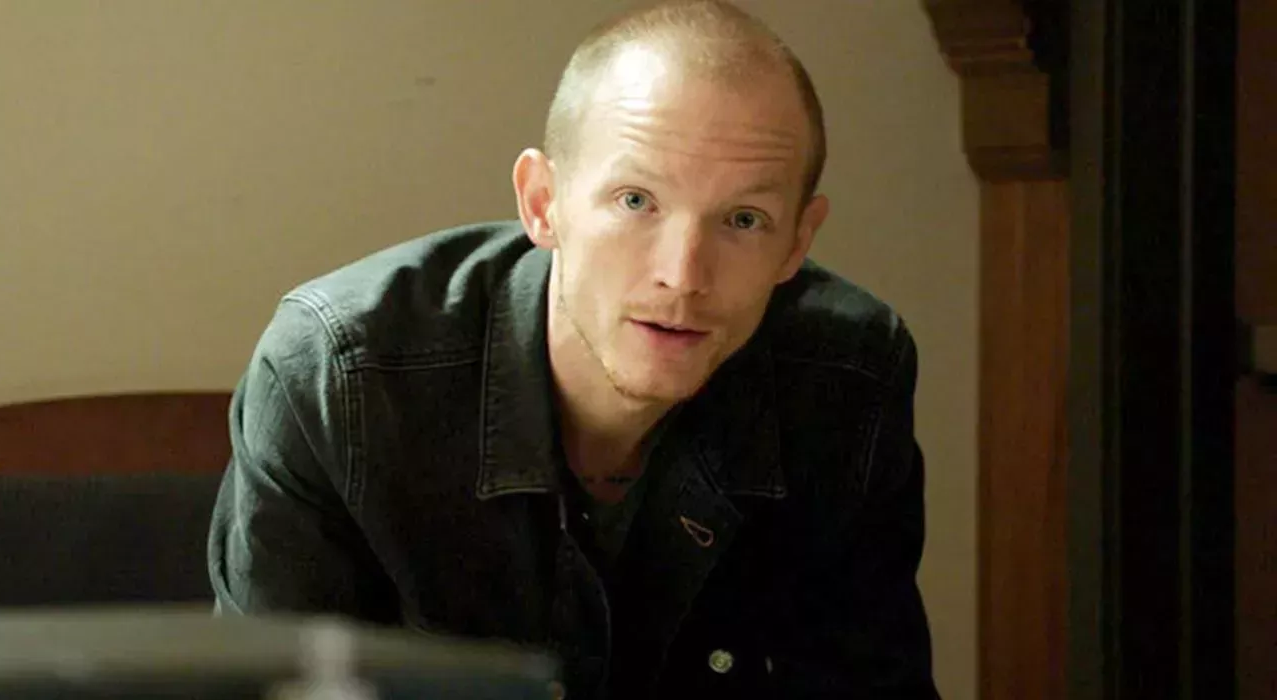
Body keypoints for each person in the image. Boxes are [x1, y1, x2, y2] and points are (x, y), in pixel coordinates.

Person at [208, 1, 939, 697]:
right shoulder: (337, 377)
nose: (683, 276)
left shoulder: (847, 380)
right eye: (635, 201)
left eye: (744, 220)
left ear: (797, 243)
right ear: (542, 203)